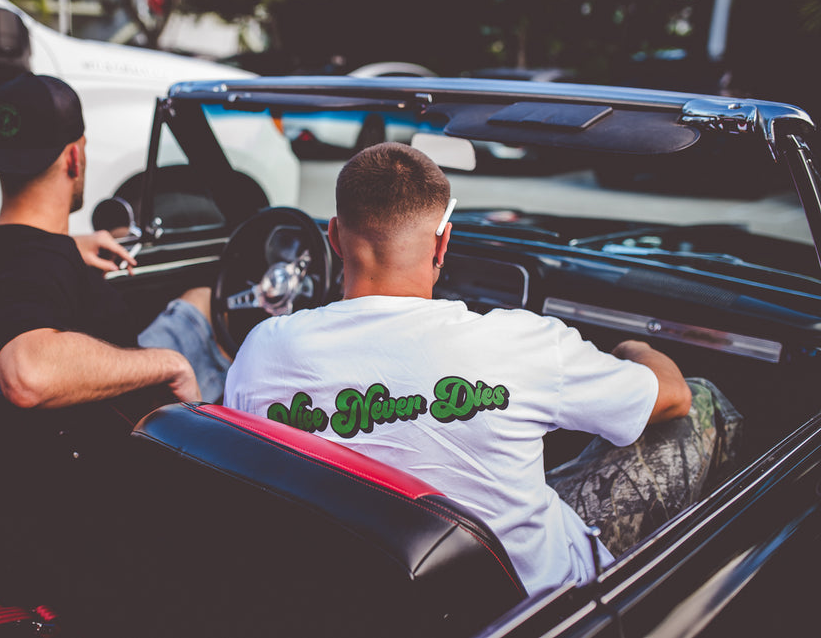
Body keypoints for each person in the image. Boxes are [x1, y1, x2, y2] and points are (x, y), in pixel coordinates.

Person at [224, 142, 739, 595]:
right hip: (540, 605)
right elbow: (672, 398)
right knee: (706, 400)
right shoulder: (522, 344)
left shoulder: (261, 351)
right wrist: (635, 349)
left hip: (352, 592)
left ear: (334, 237)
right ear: (443, 243)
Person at [0, 72, 229, 409]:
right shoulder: (42, 266)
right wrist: (169, 363)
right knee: (222, 322)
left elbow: (8, 252)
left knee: (200, 298)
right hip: (134, 419)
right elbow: (27, 375)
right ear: (74, 157)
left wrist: (70, 244)